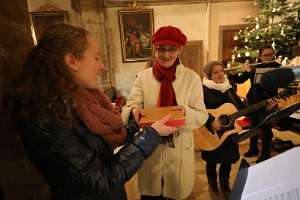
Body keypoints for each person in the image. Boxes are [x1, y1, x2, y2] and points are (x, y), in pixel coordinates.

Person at [9, 23, 178, 200]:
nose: (103, 67)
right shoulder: (45, 114)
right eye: (97, 58)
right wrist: (150, 135)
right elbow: (100, 180)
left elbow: (100, 145)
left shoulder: (78, 100)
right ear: (72, 61)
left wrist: (137, 125)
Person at [121, 26, 213, 200]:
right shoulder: (143, 77)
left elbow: (202, 115)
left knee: (175, 192)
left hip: (179, 149)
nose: (166, 54)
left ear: (180, 49)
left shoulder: (191, 78)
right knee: (151, 195)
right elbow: (127, 109)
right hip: (150, 150)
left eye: (171, 49)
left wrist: (182, 112)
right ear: (155, 48)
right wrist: (134, 111)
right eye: (161, 49)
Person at [201, 61, 245, 199]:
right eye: (215, 72)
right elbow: (199, 110)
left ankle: (225, 185)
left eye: (221, 71)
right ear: (209, 75)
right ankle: (212, 183)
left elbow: (241, 107)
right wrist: (211, 121)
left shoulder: (229, 88)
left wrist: (263, 106)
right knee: (212, 160)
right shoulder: (203, 90)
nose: (219, 74)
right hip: (211, 132)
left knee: (228, 160)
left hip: (230, 131)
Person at [243, 45, 280, 163]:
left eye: (271, 54)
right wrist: (235, 74)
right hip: (253, 101)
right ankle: (253, 149)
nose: (269, 57)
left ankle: (265, 154)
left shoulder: (276, 67)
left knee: (265, 128)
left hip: (268, 101)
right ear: (260, 56)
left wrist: (250, 72)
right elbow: (240, 79)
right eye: (266, 55)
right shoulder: (256, 66)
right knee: (253, 126)